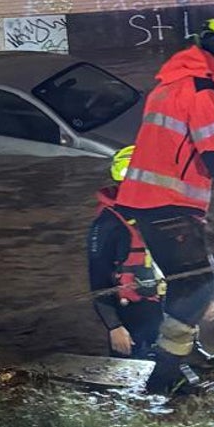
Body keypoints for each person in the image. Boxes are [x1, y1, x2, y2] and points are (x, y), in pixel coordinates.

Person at [117, 16, 214, 396]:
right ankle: (166, 374)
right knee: (198, 284)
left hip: (150, 203)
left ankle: (186, 352)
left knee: (191, 279)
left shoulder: (169, 84)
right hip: (168, 205)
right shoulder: (200, 89)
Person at [88, 145, 164, 360]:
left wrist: (203, 301)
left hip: (165, 307)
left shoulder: (164, 212)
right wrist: (114, 326)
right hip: (131, 313)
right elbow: (98, 278)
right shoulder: (108, 224)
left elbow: (186, 258)